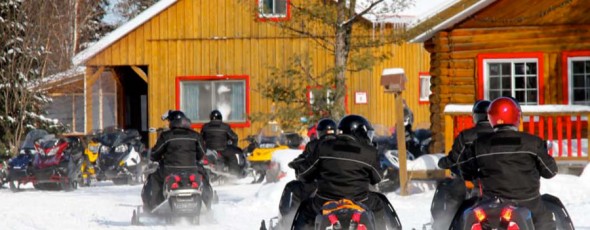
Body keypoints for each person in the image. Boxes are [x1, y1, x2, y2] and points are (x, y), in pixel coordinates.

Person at [459, 97, 558, 229]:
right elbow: (551, 171)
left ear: (491, 117)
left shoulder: (478, 145)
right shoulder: (533, 143)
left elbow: (465, 170)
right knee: (546, 221)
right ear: (517, 116)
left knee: (466, 217)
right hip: (529, 203)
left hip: (491, 206)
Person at [291, 115, 400, 229]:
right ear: (359, 132)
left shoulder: (323, 147)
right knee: (378, 203)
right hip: (360, 201)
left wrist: (305, 173)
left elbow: (304, 174)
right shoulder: (369, 152)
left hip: (325, 201)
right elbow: (377, 177)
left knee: (306, 208)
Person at [432, 100, 493, 230]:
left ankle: (444, 225)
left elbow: (454, 158)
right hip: (499, 183)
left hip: (472, 182)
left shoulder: (466, 136)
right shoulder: (500, 135)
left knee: (452, 196)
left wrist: (443, 163)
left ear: (476, 116)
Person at [274, 119, 337, 229]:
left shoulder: (314, 145)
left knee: (292, 187)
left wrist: (296, 164)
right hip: (339, 185)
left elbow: (303, 161)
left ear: (320, 132)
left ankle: (287, 222)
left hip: (316, 185)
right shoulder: (342, 145)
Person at [142, 110, 210, 211]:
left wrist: (152, 156)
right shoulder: (195, 135)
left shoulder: (166, 136)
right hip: (191, 170)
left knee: (154, 177)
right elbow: (202, 153)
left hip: (169, 170)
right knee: (204, 176)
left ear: (173, 122)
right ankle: (207, 203)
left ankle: (154, 204)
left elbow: (155, 153)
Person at [200, 110, 242, 176]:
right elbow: (234, 137)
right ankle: (234, 174)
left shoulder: (205, 126)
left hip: (209, 149)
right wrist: (234, 146)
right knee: (232, 157)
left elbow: (201, 138)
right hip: (223, 149)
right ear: (220, 117)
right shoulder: (225, 126)